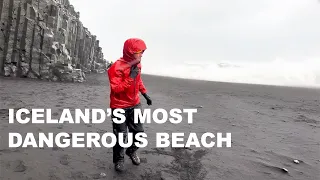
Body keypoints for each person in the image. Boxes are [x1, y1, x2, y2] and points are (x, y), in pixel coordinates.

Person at [107, 38, 152, 172]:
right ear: (131, 52)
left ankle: (131, 151)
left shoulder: (137, 65)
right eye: (139, 51)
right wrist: (130, 77)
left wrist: (145, 94)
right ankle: (119, 160)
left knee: (139, 133)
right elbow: (116, 89)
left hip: (135, 104)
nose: (142, 54)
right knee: (121, 135)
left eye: (143, 52)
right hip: (119, 105)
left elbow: (138, 81)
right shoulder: (116, 67)